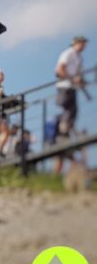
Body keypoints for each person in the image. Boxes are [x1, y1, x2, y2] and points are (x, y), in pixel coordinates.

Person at [54, 35, 88, 174]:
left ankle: (66, 132)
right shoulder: (68, 53)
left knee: (73, 112)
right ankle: (63, 133)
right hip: (65, 87)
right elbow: (59, 70)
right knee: (68, 110)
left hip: (71, 87)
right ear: (76, 43)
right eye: (82, 43)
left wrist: (81, 82)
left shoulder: (79, 58)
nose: (84, 46)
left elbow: (78, 75)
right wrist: (72, 79)